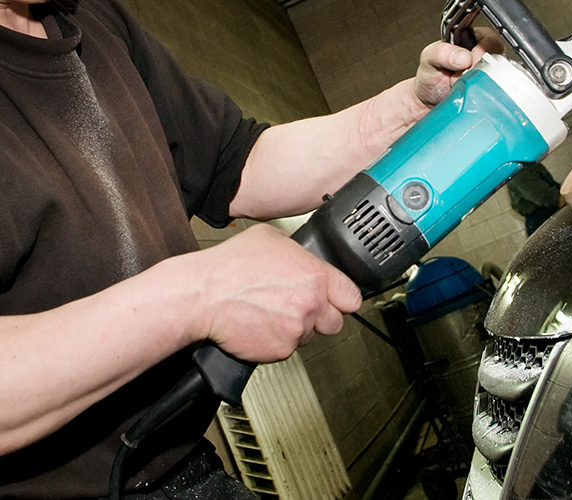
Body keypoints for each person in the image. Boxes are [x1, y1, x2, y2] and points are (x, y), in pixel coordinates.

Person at [0, 0, 503, 497]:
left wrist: (408, 111)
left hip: (180, 464)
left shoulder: (92, 18)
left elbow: (238, 162)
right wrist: (199, 295)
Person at [507, 161, 563, 235]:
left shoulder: (530, 164)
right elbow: (548, 197)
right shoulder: (519, 171)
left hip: (547, 214)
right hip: (541, 219)